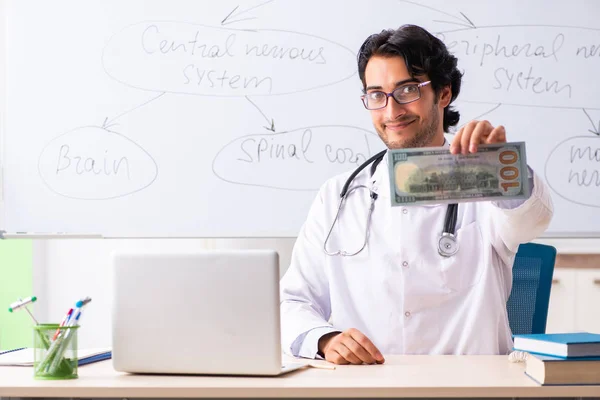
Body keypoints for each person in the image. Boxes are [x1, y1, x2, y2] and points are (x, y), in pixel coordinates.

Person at [279, 24, 553, 365]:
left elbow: (531, 220)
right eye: (377, 95)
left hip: (471, 386)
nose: (391, 111)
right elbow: (293, 302)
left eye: (407, 90)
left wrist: (500, 170)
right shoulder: (338, 195)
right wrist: (325, 338)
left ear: (443, 93)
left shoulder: (485, 179)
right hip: (366, 386)